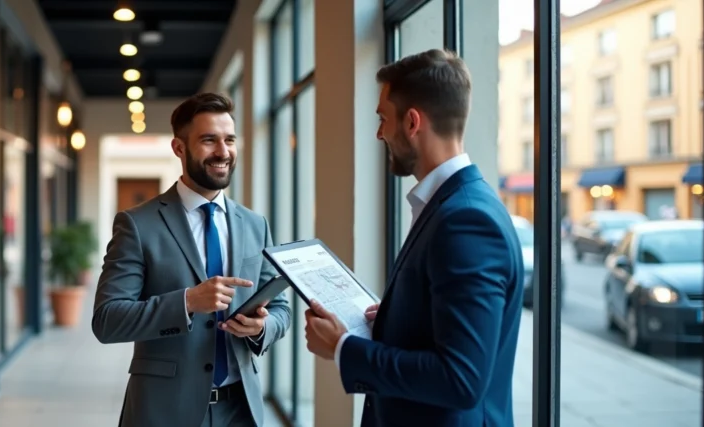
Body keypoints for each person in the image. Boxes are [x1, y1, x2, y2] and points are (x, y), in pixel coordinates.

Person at [303, 48, 524, 427]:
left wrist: (343, 347)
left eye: (382, 119)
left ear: (412, 122)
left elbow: (461, 379)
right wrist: (392, 321)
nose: (379, 133)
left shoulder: (466, 220)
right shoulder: (455, 204)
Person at [92, 92, 291, 427]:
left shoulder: (255, 224)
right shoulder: (137, 224)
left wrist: (262, 328)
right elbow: (107, 320)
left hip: (241, 411)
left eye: (230, 140)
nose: (223, 152)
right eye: (209, 140)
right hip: (164, 411)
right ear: (179, 148)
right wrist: (186, 302)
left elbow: (281, 309)